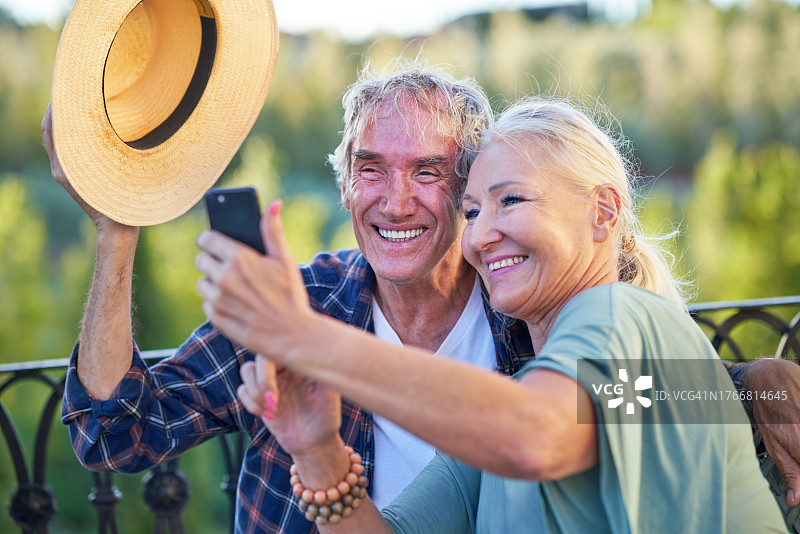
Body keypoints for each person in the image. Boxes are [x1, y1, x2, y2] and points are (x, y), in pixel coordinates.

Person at [45, 62, 799, 533]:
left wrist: (756, 389)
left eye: (431, 174)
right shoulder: (304, 303)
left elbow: (612, 402)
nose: (395, 201)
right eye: (371, 168)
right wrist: (118, 230)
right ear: (345, 185)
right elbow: (116, 432)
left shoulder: (526, 319)